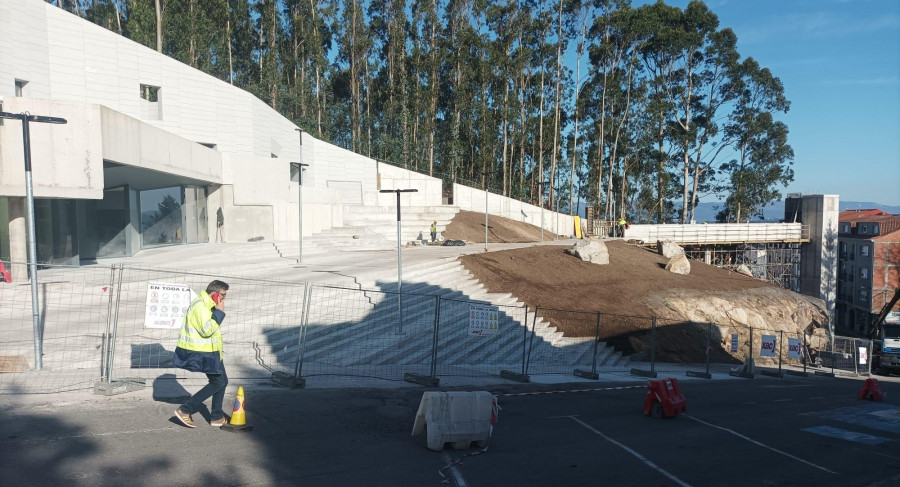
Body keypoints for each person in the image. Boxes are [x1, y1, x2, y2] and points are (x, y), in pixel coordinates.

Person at [173, 280, 230, 428]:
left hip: (212, 351)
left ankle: (217, 416)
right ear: (214, 294)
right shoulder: (201, 306)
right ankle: (185, 409)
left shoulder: (207, 304)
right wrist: (219, 312)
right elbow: (206, 331)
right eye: (223, 295)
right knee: (219, 382)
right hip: (204, 352)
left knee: (221, 381)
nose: (224, 298)